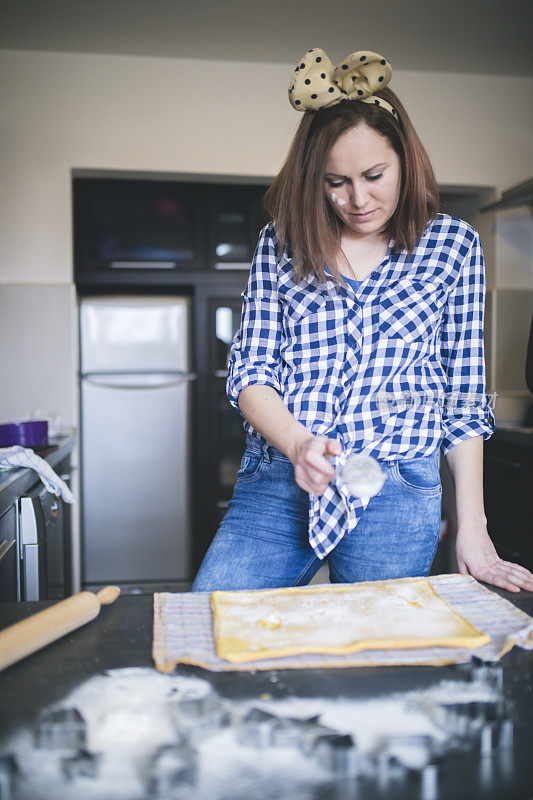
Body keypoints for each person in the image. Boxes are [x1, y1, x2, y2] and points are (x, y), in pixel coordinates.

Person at [192, 48, 533, 594]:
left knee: (378, 666)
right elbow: (250, 373)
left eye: (374, 175)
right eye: (335, 182)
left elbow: (464, 398)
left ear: (405, 159)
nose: (357, 200)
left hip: (397, 488)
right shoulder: (280, 244)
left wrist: (474, 525)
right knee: (213, 619)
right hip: (284, 477)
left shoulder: (454, 247)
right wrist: (300, 445)